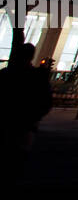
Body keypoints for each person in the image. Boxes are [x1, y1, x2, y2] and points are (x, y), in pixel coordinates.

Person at [0, 43, 54, 179]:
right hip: (26, 125)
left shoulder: (6, 74)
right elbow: (46, 102)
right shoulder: (38, 77)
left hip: (7, 122)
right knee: (17, 160)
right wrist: (34, 117)